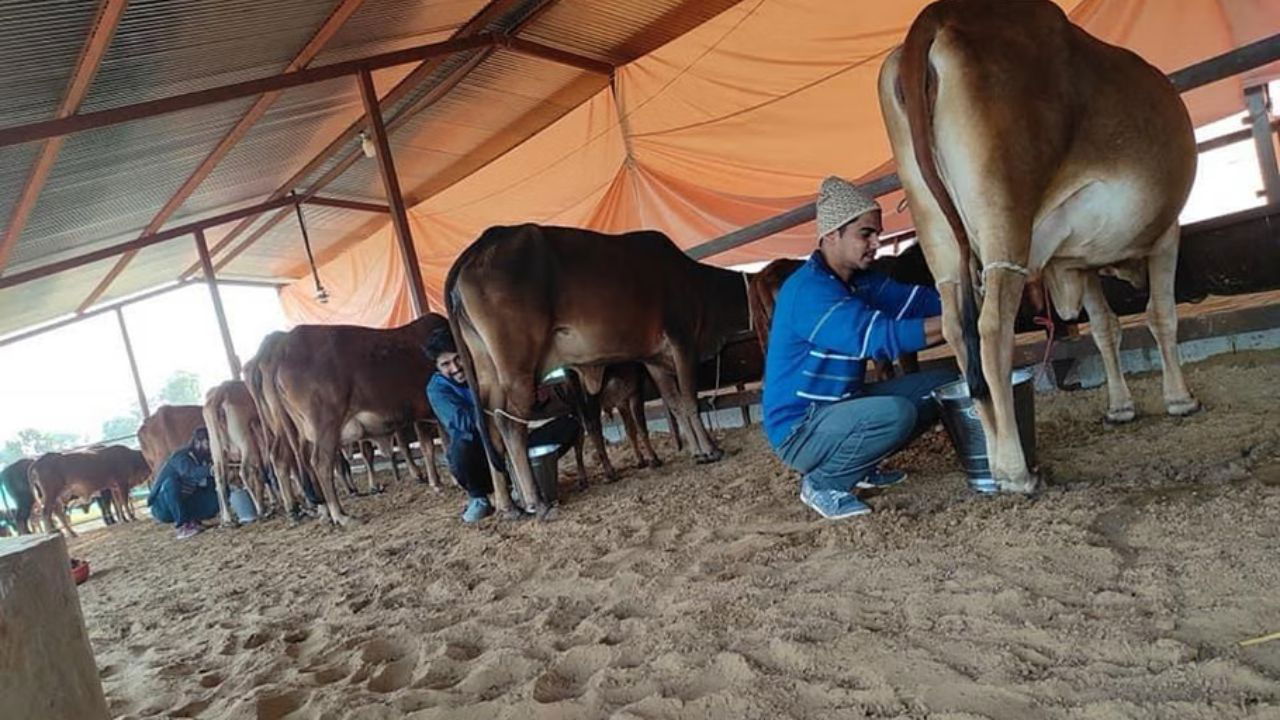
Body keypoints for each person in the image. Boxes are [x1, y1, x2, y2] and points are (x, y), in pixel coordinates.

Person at [762, 176, 957, 520]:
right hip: (800, 430)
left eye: (877, 233)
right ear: (832, 234)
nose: (877, 243)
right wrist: (959, 321)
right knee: (895, 414)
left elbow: (915, 302)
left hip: (840, 409)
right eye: (866, 234)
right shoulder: (808, 291)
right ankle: (822, 483)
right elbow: (877, 338)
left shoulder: (860, 280)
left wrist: (967, 299)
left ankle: (860, 465)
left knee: (944, 384)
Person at [425, 328, 582, 524]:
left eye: (458, 359)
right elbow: (463, 423)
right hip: (479, 455)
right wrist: (495, 403)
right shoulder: (437, 388)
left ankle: (519, 481)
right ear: (437, 367)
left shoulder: (486, 371)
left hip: (512, 445)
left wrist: (532, 399)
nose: (455, 367)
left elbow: (519, 410)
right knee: (461, 445)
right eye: (446, 364)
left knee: (568, 425)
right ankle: (479, 497)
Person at [147, 427, 220, 539]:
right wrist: (211, 469)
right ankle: (182, 527)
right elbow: (190, 472)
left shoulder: (205, 459)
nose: (210, 447)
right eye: (208, 443)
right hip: (162, 507)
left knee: (214, 492)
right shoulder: (181, 456)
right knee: (170, 483)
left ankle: (195, 520)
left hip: (186, 501)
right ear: (197, 442)